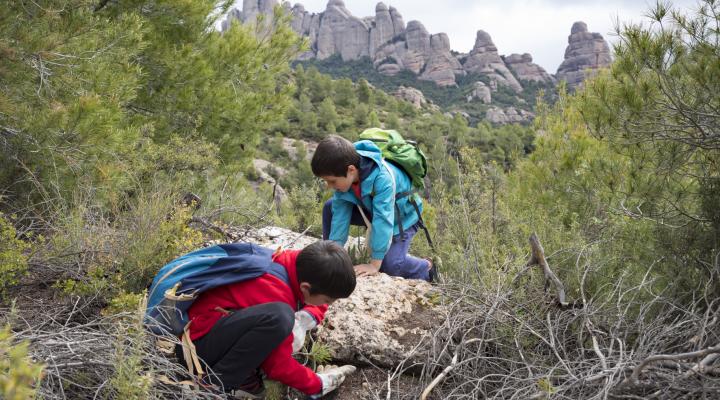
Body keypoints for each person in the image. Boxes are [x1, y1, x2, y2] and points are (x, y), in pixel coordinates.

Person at [178, 240, 357, 399]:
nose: (328, 305)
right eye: (328, 300)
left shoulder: (294, 262)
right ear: (305, 288)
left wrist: (307, 317)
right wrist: (318, 384)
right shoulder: (273, 290)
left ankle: (242, 376)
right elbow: (277, 365)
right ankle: (214, 386)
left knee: (282, 319)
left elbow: (317, 295)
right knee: (280, 318)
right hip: (192, 347)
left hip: (210, 328)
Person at [311, 134, 433, 281]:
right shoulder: (344, 174)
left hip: (402, 217)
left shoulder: (383, 179)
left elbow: (383, 221)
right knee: (330, 207)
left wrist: (374, 264)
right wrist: (334, 255)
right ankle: (329, 255)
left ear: (351, 170)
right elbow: (339, 218)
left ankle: (426, 267)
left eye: (332, 181)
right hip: (372, 210)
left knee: (390, 266)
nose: (329, 186)